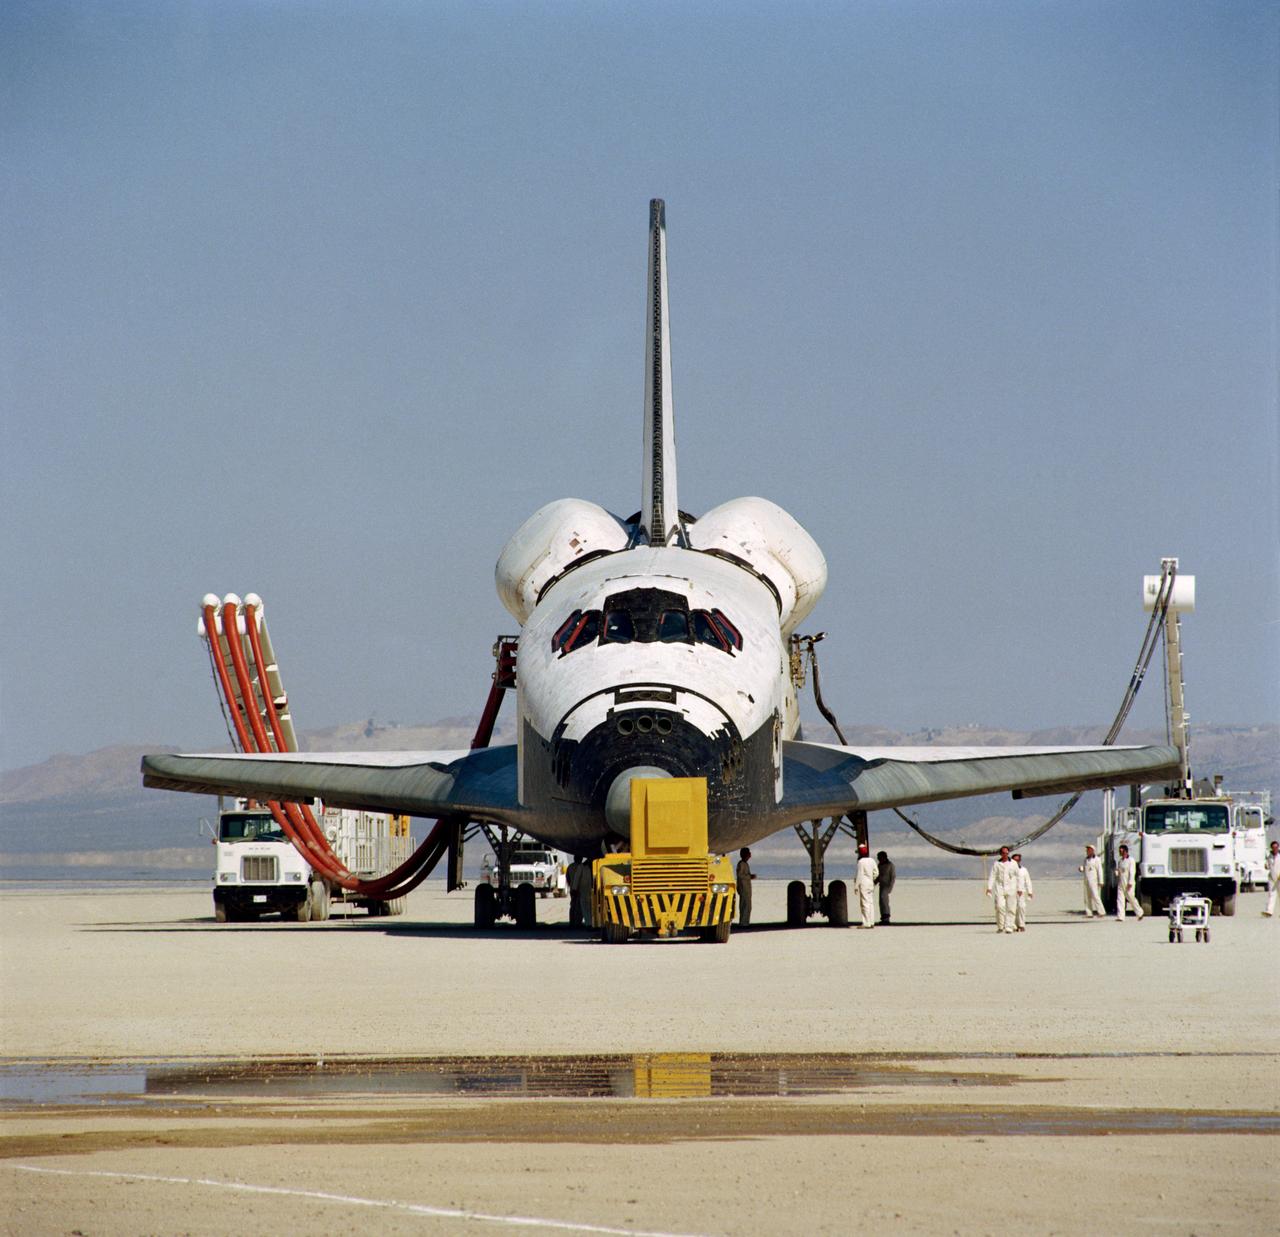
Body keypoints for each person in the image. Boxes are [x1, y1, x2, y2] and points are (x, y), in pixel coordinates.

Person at [985, 845, 1019, 934]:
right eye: (1003, 853)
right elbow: (992, 876)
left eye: (1007, 853)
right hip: (1000, 887)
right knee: (999, 906)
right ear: (1000, 854)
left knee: (1011, 908)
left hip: (1011, 887)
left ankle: (1009, 927)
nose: (1005, 854)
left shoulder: (1013, 863)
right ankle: (1001, 926)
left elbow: (1018, 876)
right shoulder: (996, 864)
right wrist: (989, 888)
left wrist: (1020, 888)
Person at [1115, 843, 1144, 921]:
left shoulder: (1131, 860)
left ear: (1125, 851)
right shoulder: (1120, 861)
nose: (1120, 852)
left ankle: (1140, 912)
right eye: (1120, 851)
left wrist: (1130, 883)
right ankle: (1120, 916)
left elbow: (1132, 872)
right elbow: (1120, 871)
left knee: (1131, 898)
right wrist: (1117, 872)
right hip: (1121, 882)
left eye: (1121, 851)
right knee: (1120, 899)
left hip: (1128, 883)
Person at [854, 844, 879, 928]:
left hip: (863, 883)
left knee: (864, 903)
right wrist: (872, 878)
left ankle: (866, 923)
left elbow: (859, 874)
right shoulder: (872, 860)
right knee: (870, 902)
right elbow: (876, 872)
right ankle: (871, 922)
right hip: (870, 883)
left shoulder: (861, 862)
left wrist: (856, 886)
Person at [1079, 845, 1105, 917]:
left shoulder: (1097, 859)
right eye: (1087, 850)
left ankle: (1101, 912)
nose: (1087, 851)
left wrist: (1101, 881)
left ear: (1092, 851)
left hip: (1094, 881)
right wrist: (1081, 869)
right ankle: (1089, 913)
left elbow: (1100, 870)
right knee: (1087, 897)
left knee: (1095, 896)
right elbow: (1085, 868)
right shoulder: (1086, 859)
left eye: (1089, 850)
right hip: (1086, 880)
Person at [569, 854, 593, 929]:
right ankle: (588, 923)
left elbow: (576, 878)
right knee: (585, 907)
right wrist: (574, 889)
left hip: (588, 890)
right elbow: (576, 878)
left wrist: (574, 888)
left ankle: (590, 923)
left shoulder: (584, 866)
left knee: (587, 907)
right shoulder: (582, 867)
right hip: (584, 890)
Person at [1013, 852, 1034, 932]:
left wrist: (1030, 892)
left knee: (1021, 907)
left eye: (1018, 860)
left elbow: (1028, 881)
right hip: (1012, 892)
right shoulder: (1009, 870)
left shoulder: (1024, 870)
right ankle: (1014, 925)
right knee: (1013, 909)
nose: (1016, 861)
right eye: (1014, 860)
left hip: (1021, 892)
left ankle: (1021, 925)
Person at [736, 848, 756, 927]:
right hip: (743, 888)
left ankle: (745, 922)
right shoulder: (741, 864)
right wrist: (749, 876)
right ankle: (743, 923)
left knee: (747, 906)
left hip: (746, 888)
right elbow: (740, 875)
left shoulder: (745, 864)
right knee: (744, 905)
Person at [875, 850, 895, 925]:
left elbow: (892, 877)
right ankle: (883, 917)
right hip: (882, 885)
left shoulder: (890, 865)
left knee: (884, 901)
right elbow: (878, 875)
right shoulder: (880, 865)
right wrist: (874, 882)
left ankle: (886, 918)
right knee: (881, 902)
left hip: (887, 885)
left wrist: (890, 887)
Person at [565, 857, 583, 927]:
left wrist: (571, 886)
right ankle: (578, 922)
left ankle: (572, 921)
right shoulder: (582, 867)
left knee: (573, 905)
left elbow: (567, 877)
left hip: (573, 889)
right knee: (579, 906)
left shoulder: (570, 866)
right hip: (580, 889)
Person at [1264, 840, 1279, 917]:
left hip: (1279, 878)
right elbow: (1267, 866)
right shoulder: (1269, 856)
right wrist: (1266, 866)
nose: (1275, 849)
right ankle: (1269, 911)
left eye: (1276, 847)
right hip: (1272, 878)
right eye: (1273, 847)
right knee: (1271, 894)